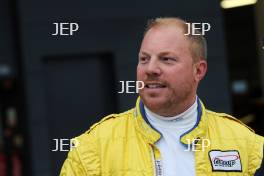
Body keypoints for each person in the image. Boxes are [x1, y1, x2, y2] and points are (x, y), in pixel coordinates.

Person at [60, 17, 264, 176]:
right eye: (144, 59)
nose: (151, 69)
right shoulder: (92, 149)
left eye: (166, 59)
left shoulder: (247, 146)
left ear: (198, 71)